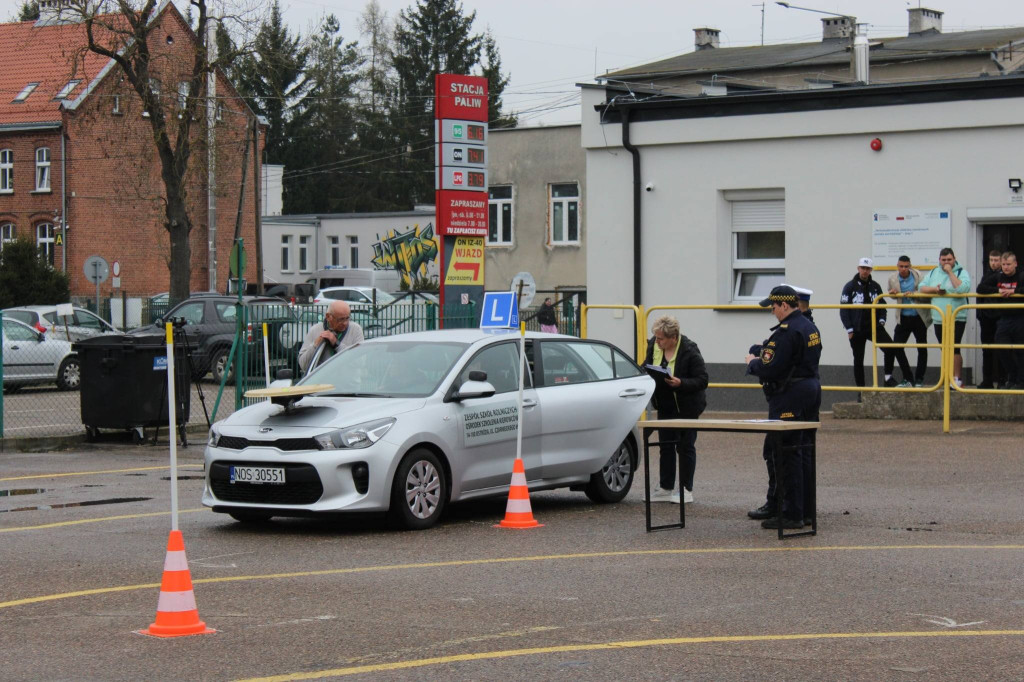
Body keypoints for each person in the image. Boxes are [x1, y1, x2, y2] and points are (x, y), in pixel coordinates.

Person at [745, 285, 822, 530]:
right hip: (810, 389)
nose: (772, 312)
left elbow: (771, 368)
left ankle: (791, 513)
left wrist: (753, 363)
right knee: (805, 452)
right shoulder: (809, 327)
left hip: (790, 395)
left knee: (787, 452)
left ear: (785, 305)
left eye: (774, 307)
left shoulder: (787, 331)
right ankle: (806, 511)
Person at [642, 315, 708, 504]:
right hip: (665, 404)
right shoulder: (654, 344)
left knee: (685, 446)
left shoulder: (689, 350)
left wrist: (681, 383)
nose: (658, 341)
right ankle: (665, 487)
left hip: (687, 406)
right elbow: (647, 364)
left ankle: (686, 490)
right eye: (656, 337)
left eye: (661, 338)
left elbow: (703, 380)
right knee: (665, 446)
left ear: (674, 337)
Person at [840, 257, 904, 388]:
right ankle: (861, 390)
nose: (865, 271)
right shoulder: (850, 286)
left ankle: (888, 378)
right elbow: (844, 309)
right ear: (858, 269)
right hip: (857, 329)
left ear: (871, 270)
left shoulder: (875, 286)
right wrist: (849, 329)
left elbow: (882, 305)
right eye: (863, 268)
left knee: (890, 348)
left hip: (874, 326)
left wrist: (881, 321)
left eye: (867, 269)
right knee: (858, 359)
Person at [918, 247, 971, 387]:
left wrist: (950, 272)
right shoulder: (934, 272)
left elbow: (962, 289)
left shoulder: (961, 272)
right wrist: (935, 289)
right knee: (944, 348)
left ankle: (957, 379)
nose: (946, 262)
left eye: (949, 259)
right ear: (939, 260)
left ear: (954, 259)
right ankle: (947, 377)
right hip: (939, 317)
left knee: (954, 347)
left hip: (956, 317)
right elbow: (921, 288)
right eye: (943, 260)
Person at [978, 251, 1024, 389]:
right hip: (1004, 318)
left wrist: (1014, 292)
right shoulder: (998, 276)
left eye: (1008, 264)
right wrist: (998, 291)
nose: (1005, 267)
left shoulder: (1021, 275)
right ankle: (1012, 376)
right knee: (1001, 347)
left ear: (1015, 264)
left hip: (1020, 318)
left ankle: (1021, 381)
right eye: (1003, 264)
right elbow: (980, 288)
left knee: (1020, 351)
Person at [886, 255, 932, 388]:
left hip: (919, 317)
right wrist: (892, 293)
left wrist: (915, 293)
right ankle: (908, 378)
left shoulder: (918, 276)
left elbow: (925, 293)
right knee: (897, 347)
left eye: (906, 266)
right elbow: (891, 293)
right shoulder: (893, 278)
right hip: (903, 317)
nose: (904, 269)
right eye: (901, 266)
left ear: (910, 266)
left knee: (922, 348)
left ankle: (919, 379)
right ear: (897, 266)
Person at [298, 300, 364, 373]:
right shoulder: (315, 330)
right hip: (322, 383)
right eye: (341, 319)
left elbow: (359, 362)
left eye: (347, 318)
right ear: (328, 316)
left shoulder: (356, 330)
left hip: (348, 383)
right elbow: (303, 365)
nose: (345, 323)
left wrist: (336, 344)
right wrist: (315, 345)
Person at [976, 249, 1005, 389]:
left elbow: (981, 288)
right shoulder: (987, 274)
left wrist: (990, 289)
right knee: (986, 350)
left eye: (996, 260)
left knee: (1001, 350)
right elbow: (980, 290)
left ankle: (1002, 381)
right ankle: (987, 380)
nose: (993, 263)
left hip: (999, 317)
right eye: (991, 260)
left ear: (1001, 261)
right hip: (986, 317)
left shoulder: (1003, 275)